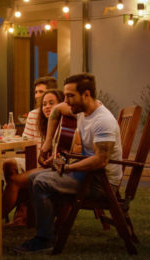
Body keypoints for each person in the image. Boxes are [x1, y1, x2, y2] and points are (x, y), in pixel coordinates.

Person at [14, 73, 123, 253]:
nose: (66, 101)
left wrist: (68, 167)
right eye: (65, 96)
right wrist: (47, 143)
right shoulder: (81, 110)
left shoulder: (103, 121)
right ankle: (49, 231)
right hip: (86, 174)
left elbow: (101, 160)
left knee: (41, 182)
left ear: (86, 94)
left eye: (70, 96)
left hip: (100, 183)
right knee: (34, 177)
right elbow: (56, 110)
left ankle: (44, 239)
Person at [2, 89, 65, 225]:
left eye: (51, 103)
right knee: (8, 164)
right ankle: (23, 212)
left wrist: (51, 160)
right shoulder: (44, 123)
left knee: (14, 181)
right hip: (47, 165)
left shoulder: (66, 125)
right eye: (44, 104)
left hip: (59, 168)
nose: (47, 107)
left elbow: (65, 155)